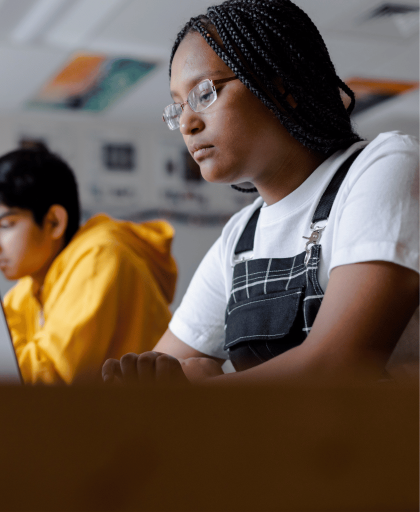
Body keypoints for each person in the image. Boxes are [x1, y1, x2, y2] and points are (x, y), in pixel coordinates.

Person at [103, 0, 419, 386]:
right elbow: (156, 377)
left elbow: (339, 365)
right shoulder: (239, 237)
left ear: (280, 85)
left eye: (205, 93)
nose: (186, 122)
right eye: (177, 107)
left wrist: (195, 393)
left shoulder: (384, 165)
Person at [0, 145, 178, 384]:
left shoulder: (100, 257)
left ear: (53, 222)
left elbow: (50, 380)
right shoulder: (29, 287)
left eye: (5, 225)